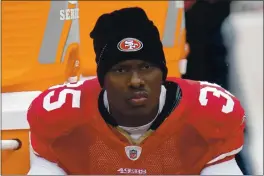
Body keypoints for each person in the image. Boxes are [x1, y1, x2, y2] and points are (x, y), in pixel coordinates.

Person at [27, 7, 245, 175]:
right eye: (120, 69)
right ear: (102, 79)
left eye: (146, 67)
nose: (136, 81)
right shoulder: (61, 115)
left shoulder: (209, 113)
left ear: (163, 72)